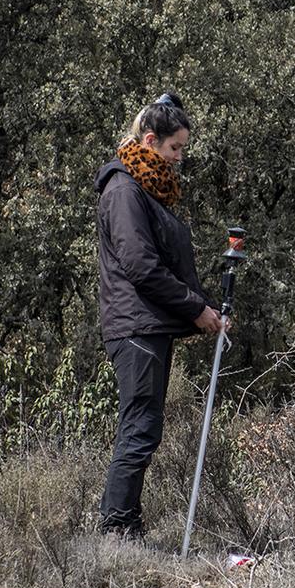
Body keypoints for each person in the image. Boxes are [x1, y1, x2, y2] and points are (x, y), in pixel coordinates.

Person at [94, 92, 224, 537]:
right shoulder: (124, 189)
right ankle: (117, 530)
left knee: (143, 427)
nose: (180, 158)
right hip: (134, 327)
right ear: (150, 140)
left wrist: (206, 307)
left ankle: (124, 525)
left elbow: (163, 263)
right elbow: (141, 267)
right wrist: (196, 310)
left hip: (147, 325)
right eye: (175, 148)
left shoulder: (144, 189)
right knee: (140, 428)